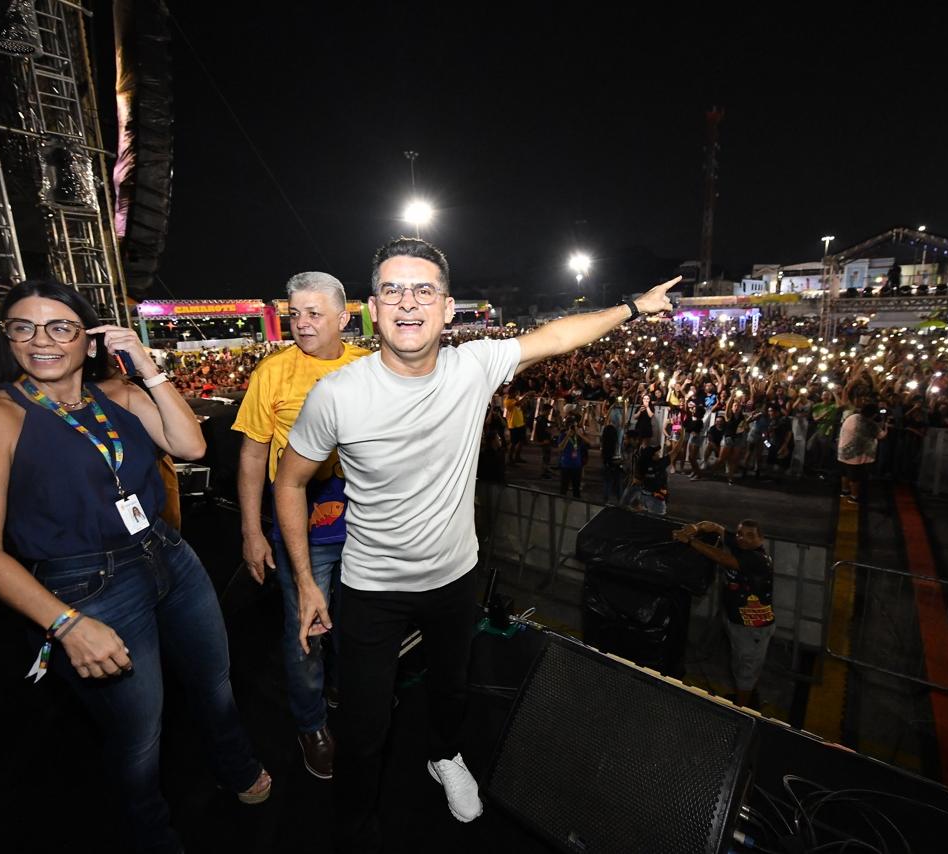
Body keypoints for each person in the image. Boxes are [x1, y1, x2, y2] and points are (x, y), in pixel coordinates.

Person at [274, 237, 677, 851]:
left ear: (448, 307)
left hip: (455, 578)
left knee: (451, 689)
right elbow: (291, 480)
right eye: (393, 289)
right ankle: (356, 826)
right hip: (371, 588)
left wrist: (634, 307)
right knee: (364, 727)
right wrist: (306, 581)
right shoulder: (337, 395)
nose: (408, 302)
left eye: (423, 290)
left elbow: (560, 335)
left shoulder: (475, 366)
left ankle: (446, 757)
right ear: (372, 309)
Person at [0, 280, 270, 853]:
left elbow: (192, 447)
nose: (41, 340)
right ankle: (149, 831)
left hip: (168, 554)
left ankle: (236, 763)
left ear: (90, 338)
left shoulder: (120, 394)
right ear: (9, 338)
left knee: (214, 682)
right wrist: (66, 623)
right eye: (24, 326)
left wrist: (146, 366)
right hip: (84, 584)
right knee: (138, 733)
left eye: (60, 327)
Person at [232, 271, 369, 780]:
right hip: (302, 526)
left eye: (314, 313)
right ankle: (311, 724)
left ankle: (341, 690)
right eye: (295, 314)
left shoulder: (370, 365)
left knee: (356, 623)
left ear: (343, 317)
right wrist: (250, 531)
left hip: (367, 523)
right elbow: (251, 455)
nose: (303, 323)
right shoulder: (273, 372)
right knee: (305, 630)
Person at [673, 518, 774, 708]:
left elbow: (722, 558)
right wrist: (695, 527)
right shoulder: (740, 545)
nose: (742, 539)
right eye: (739, 534)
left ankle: (741, 710)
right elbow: (714, 526)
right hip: (736, 620)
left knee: (745, 670)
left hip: (752, 628)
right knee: (740, 666)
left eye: (750, 536)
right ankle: (745, 696)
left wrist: (691, 541)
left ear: (761, 539)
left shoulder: (758, 560)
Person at [837, 402, 887, 504]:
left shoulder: (852, 417)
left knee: (845, 473)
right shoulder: (868, 424)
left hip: (843, 451)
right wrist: (885, 425)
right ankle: (854, 496)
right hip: (855, 455)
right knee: (855, 477)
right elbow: (882, 436)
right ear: (873, 414)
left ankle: (844, 491)